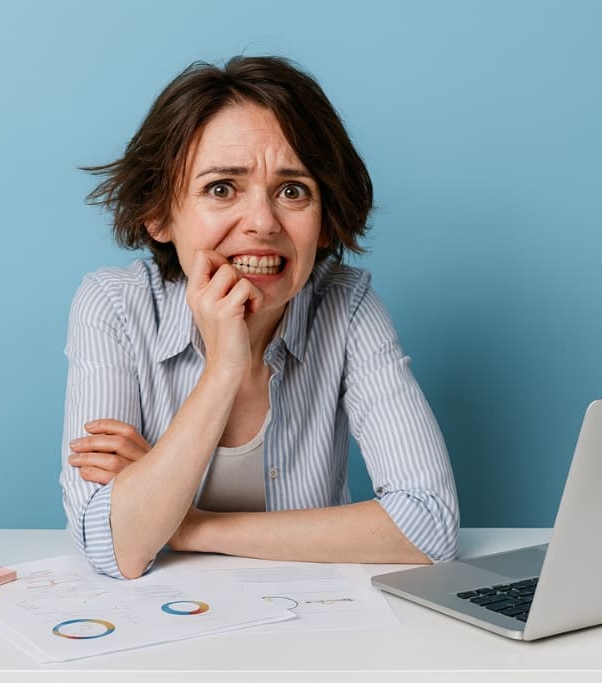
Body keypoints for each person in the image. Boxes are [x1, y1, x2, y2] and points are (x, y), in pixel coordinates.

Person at [60, 56, 459, 580]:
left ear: (323, 222)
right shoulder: (113, 306)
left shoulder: (348, 306)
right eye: (221, 188)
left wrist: (186, 527)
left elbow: (429, 527)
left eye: (293, 191)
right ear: (157, 213)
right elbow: (113, 549)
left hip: (313, 626)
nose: (263, 223)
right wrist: (225, 367)